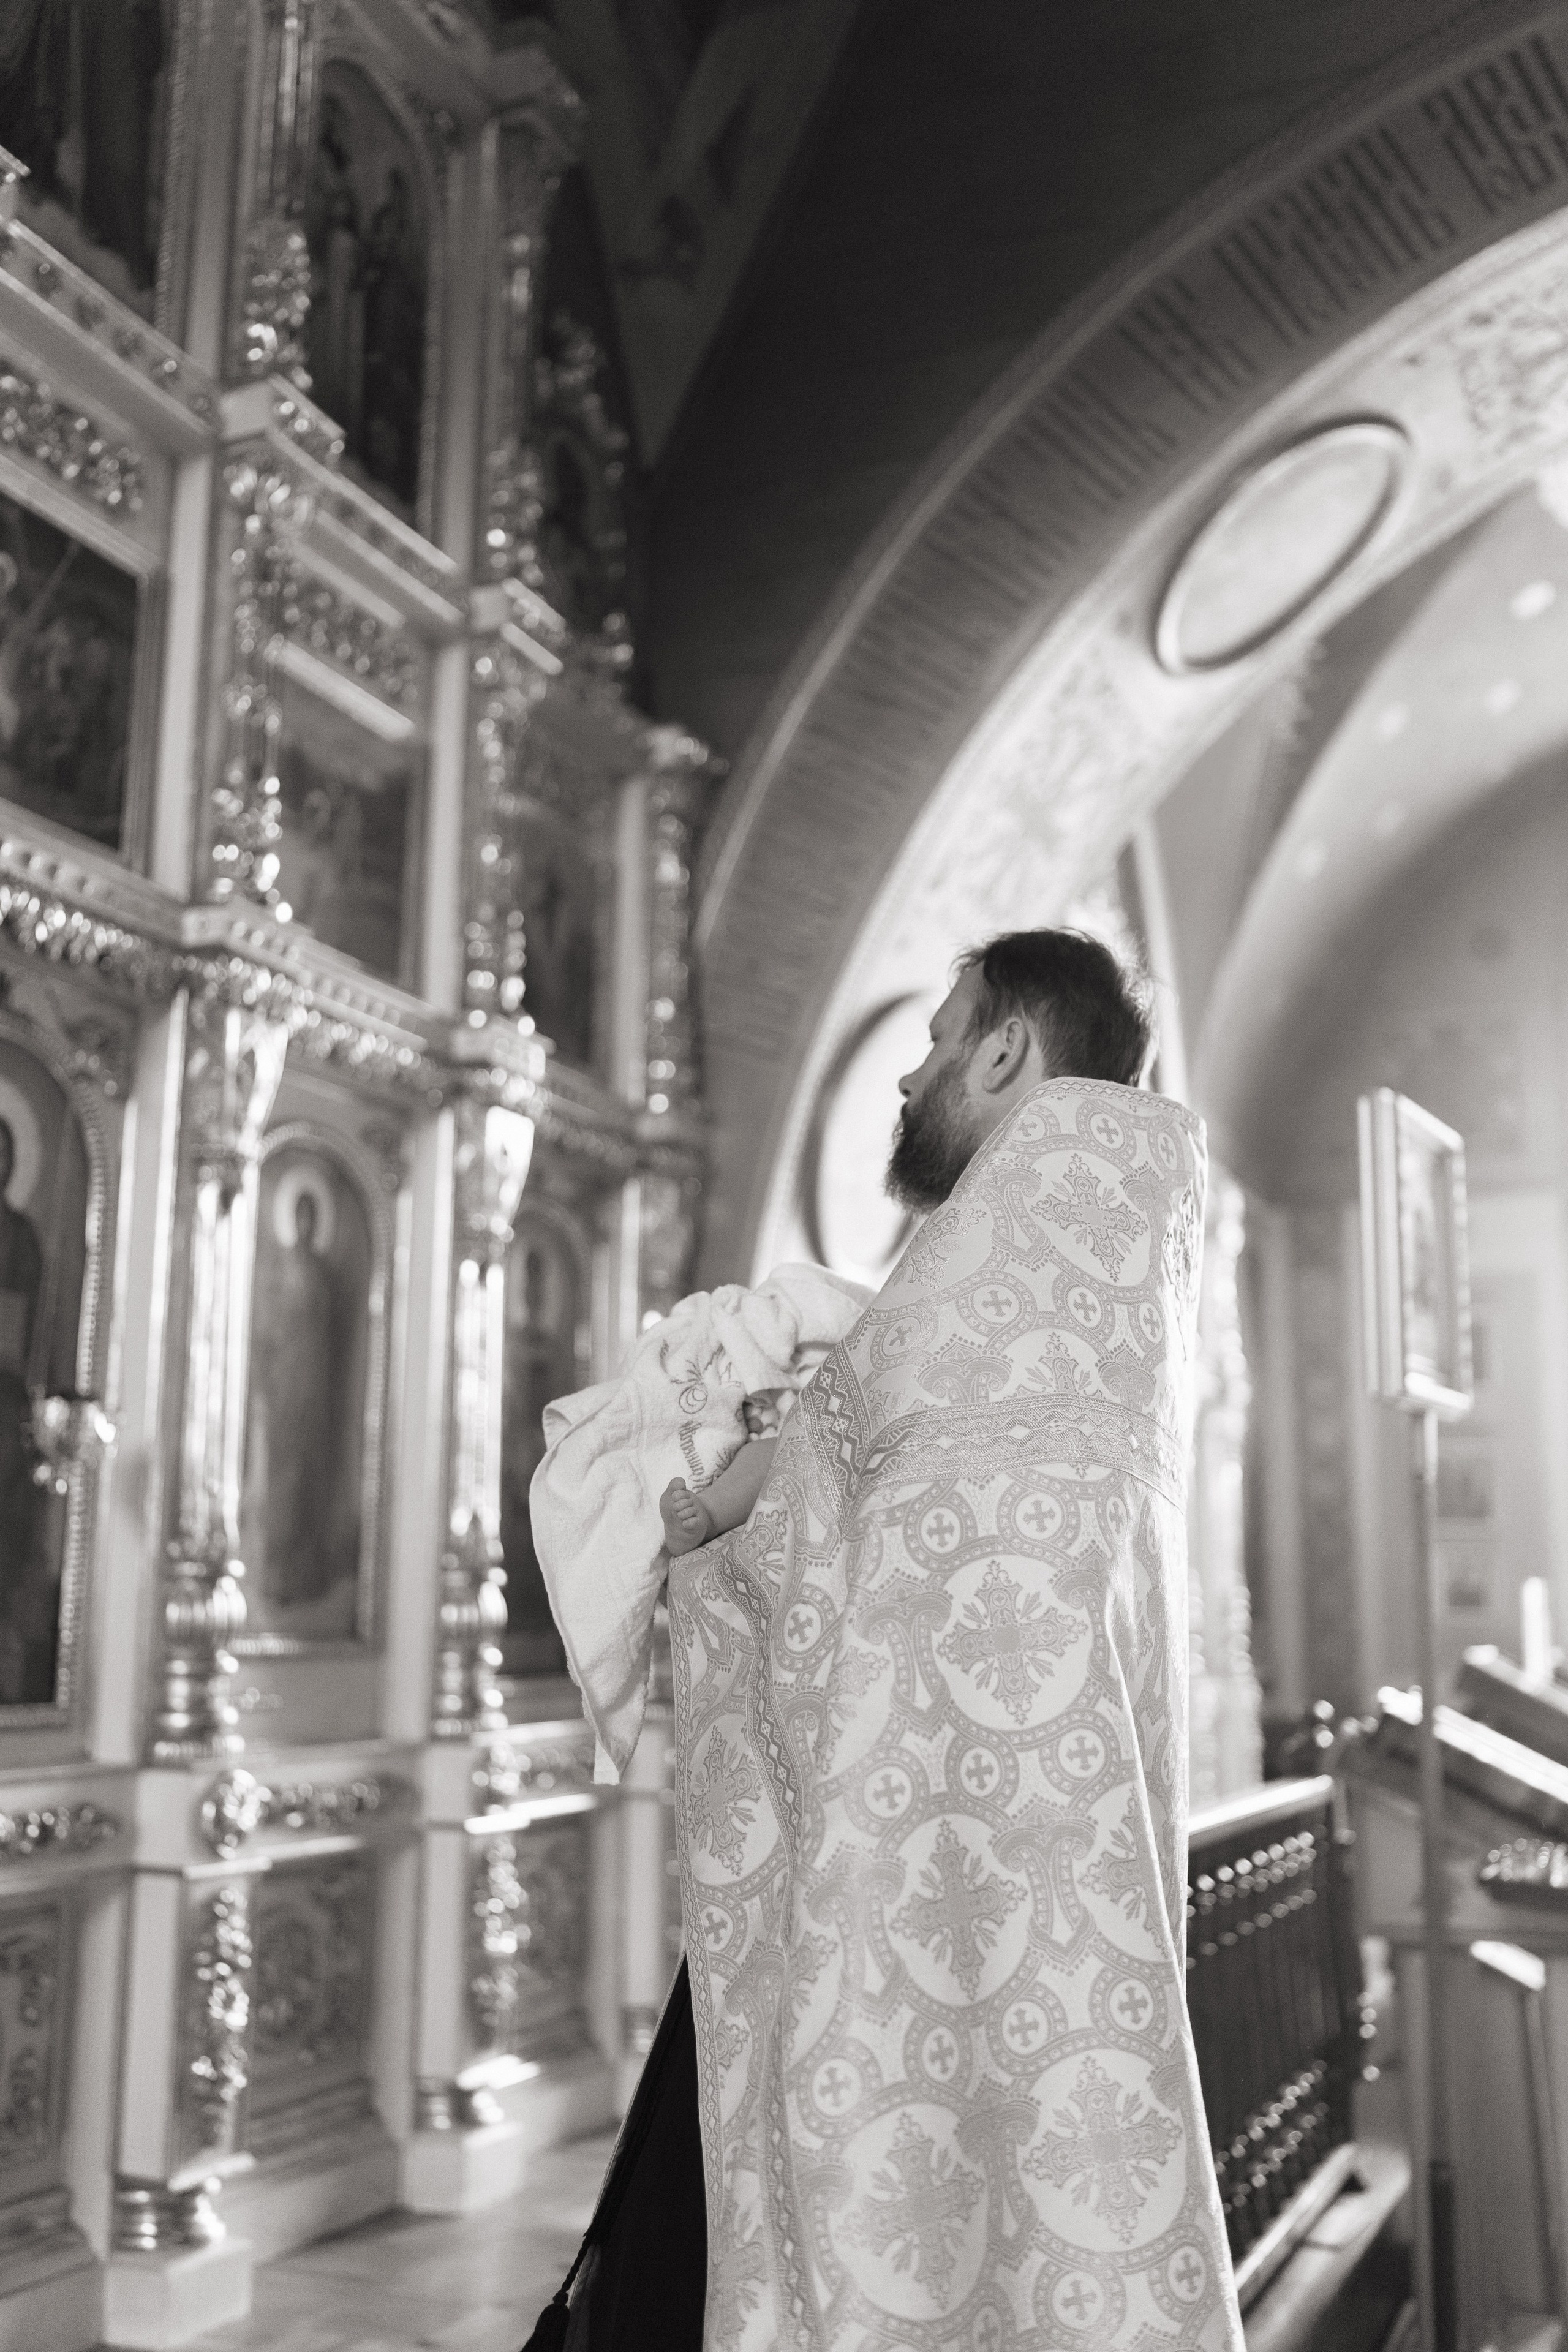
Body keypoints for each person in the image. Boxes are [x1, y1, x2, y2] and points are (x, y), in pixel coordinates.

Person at [527, 927, 1242, 2352]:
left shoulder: (978, 1303)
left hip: (875, 1887)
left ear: (1003, 1050)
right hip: (1021, 1874)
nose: (911, 1076)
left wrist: (701, 1524)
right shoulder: (1107, 1285)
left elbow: (849, 1563)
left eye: (936, 1039)